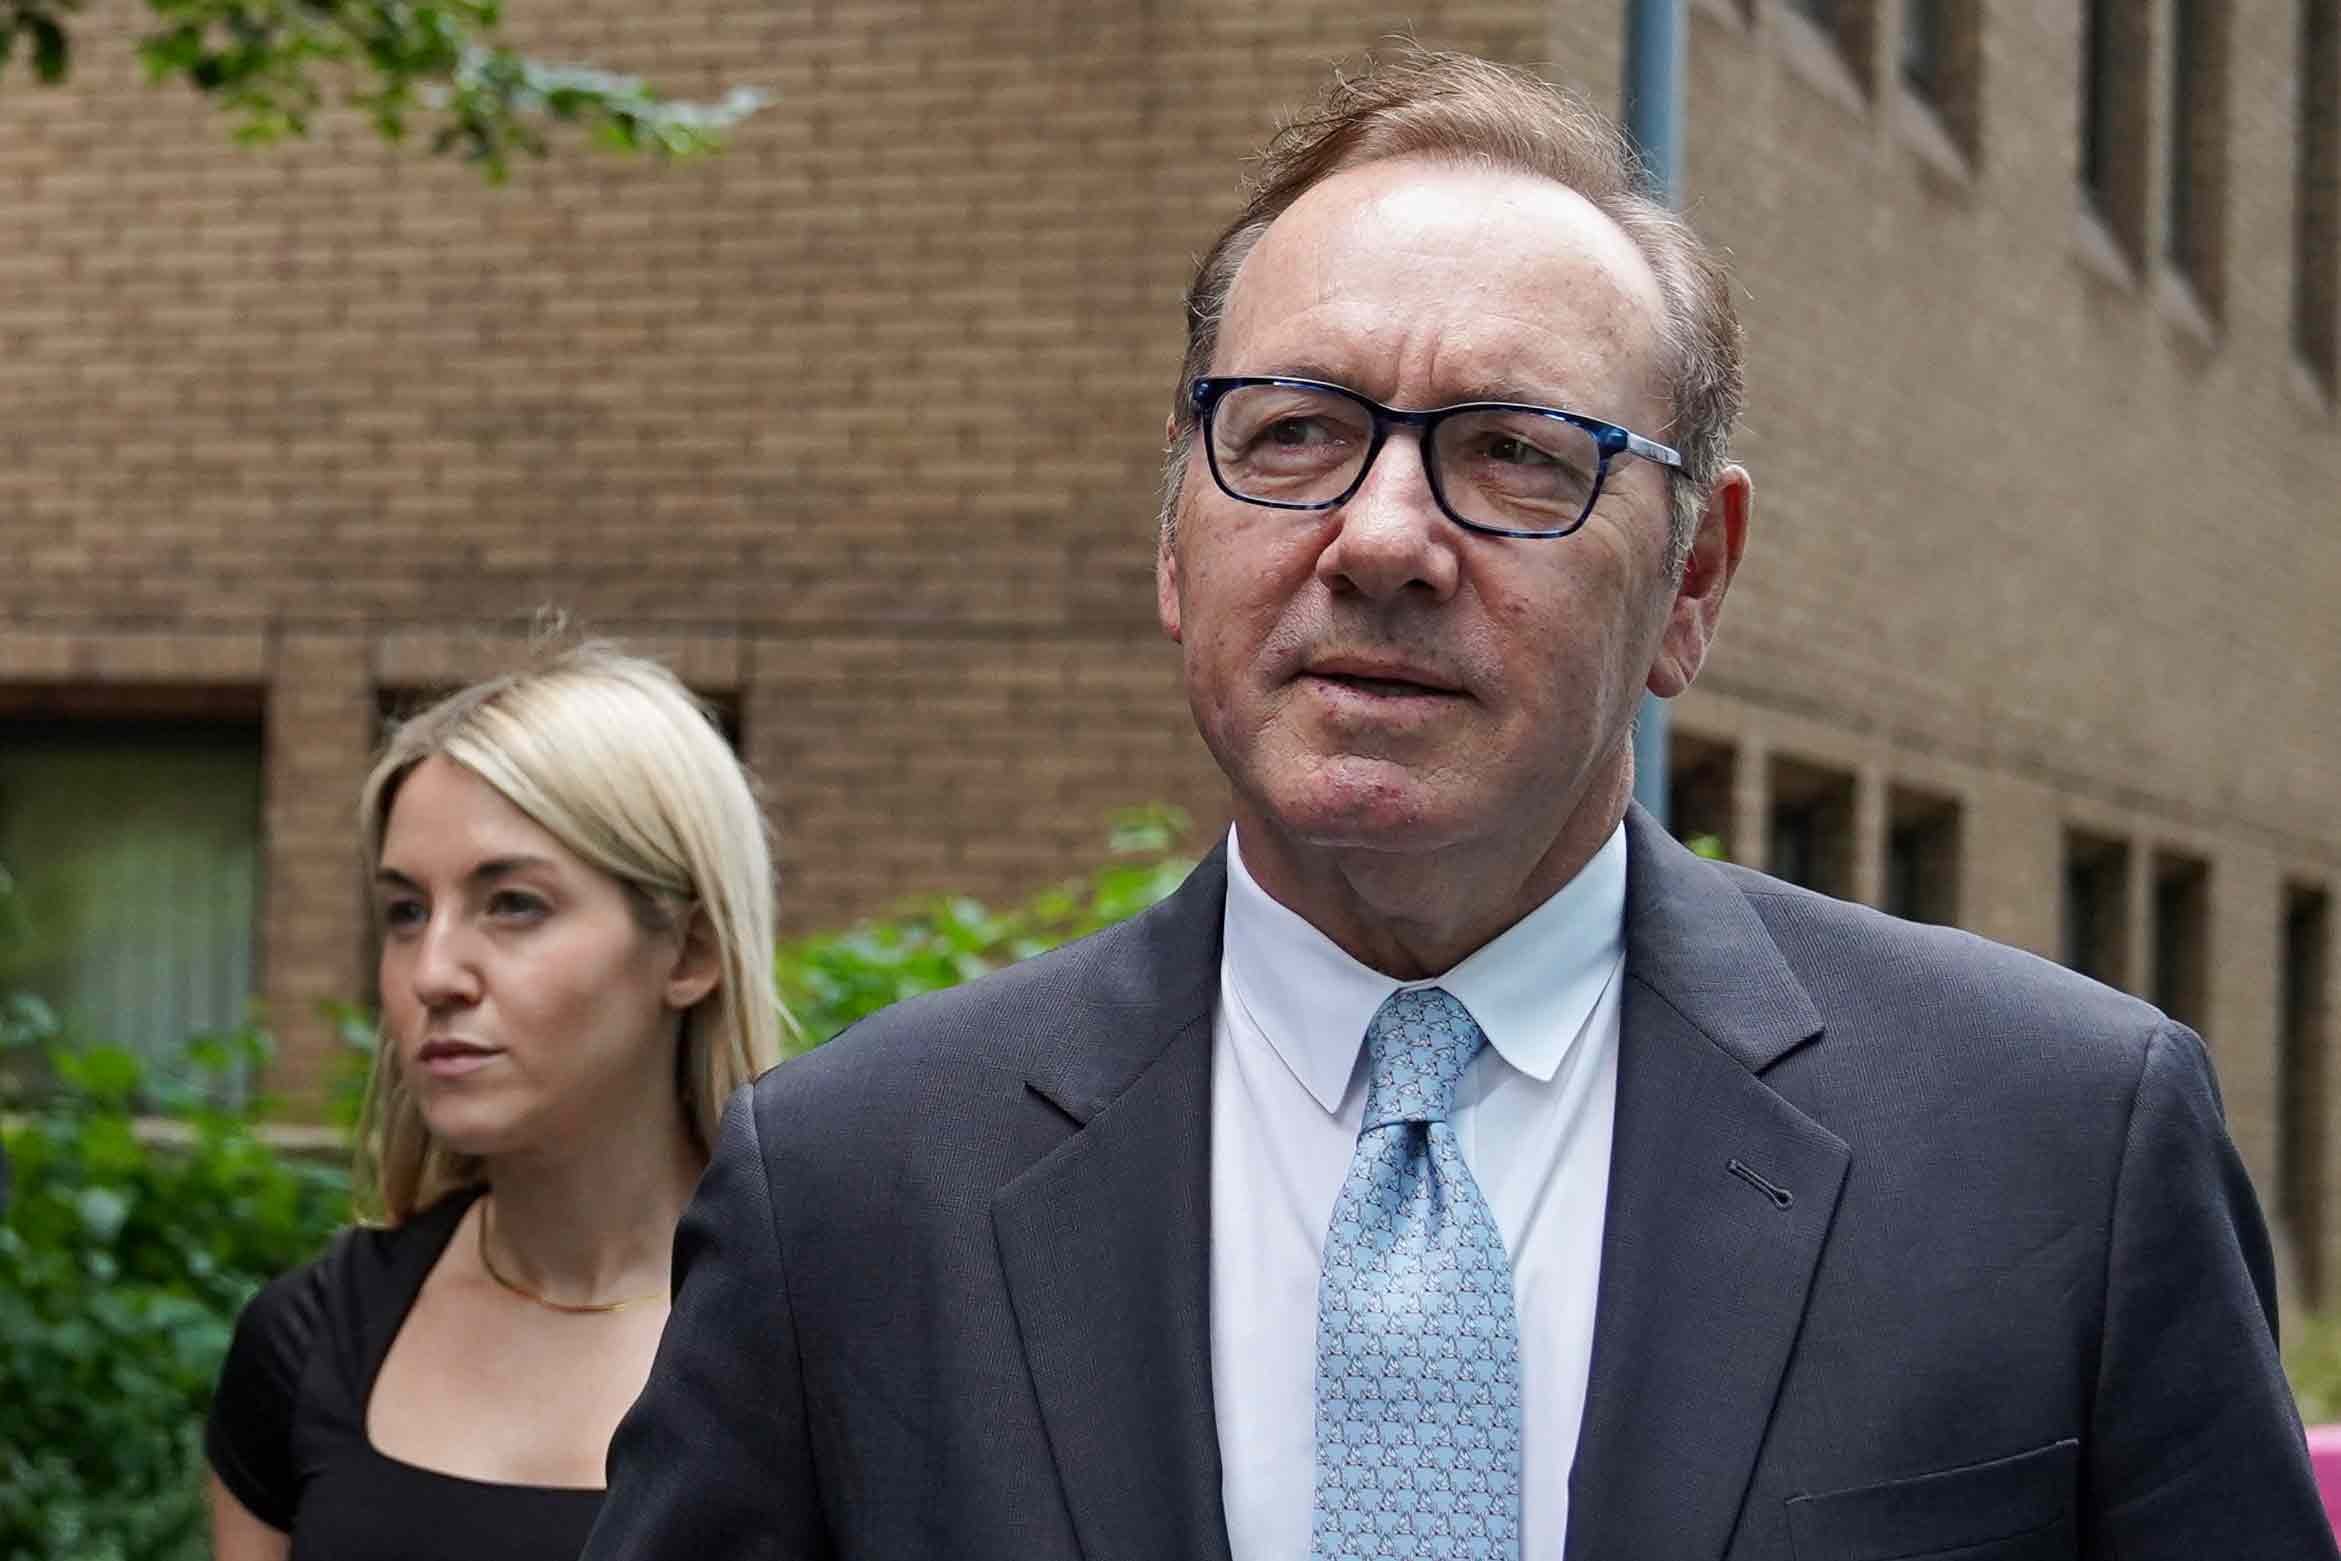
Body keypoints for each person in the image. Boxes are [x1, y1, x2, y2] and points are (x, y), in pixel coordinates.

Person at [583, 49, 2336, 1561]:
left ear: (1695, 581)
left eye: (1513, 451)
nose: (1382, 539)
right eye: (1293, 432)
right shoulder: (853, 1192)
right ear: (1174, 539)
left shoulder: (2058, 1150)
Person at [206, 642, 785, 1561]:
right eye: (405, 911)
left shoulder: (828, 1340)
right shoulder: (307, 1340)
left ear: (689, 952)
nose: (433, 973)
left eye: (512, 903)